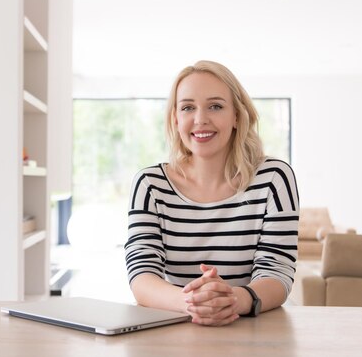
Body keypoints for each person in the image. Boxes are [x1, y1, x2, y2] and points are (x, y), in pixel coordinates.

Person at [125, 60, 299, 326]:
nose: (200, 119)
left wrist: (232, 300)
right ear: (175, 118)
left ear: (237, 116)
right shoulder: (150, 184)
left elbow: (277, 272)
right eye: (187, 108)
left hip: (252, 332)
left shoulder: (274, 178)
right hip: (175, 330)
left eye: (215, 106)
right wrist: (193, 303)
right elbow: (141, 275)